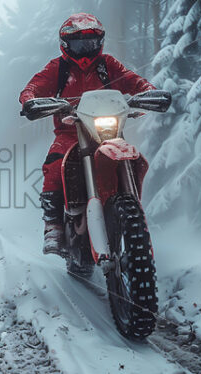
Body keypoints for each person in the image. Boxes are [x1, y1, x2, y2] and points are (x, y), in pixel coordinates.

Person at [19, 13, 155, 255]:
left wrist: (149, 91)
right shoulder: (57, 68)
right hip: (71, 131)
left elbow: (134, 81)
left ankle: (130, 209)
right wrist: (30, 100)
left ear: (99, 42)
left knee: (132, 157)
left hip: (109, 131)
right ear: (65, 45)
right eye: (78, 44)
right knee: (54, 163)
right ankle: (53, 226)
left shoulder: (108, 65)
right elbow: (34, 86)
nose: (84, 50)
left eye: (90, 43)